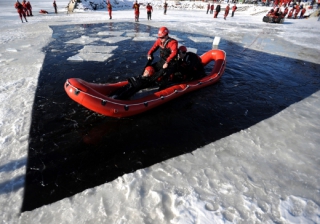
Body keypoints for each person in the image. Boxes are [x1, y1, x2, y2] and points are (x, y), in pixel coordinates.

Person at [110, 27, 178, 99]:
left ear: (167, 35)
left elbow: (174, 53)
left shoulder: (173, 42)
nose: (161, 39)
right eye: (160, 37)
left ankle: (162, 91)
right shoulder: (159, 41)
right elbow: (153, 48)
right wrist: (149, 54)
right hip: (162, 61)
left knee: (164, 74)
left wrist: (167, 62)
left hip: (171, 63)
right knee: (151, 69)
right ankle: (144, 80)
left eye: (162, 37)